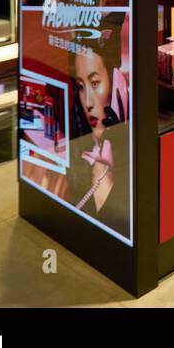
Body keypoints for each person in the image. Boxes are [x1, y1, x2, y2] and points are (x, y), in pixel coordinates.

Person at [66, 33, 130, 236]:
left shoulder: (131, 158)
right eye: (81, 87)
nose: (88, 102)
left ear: (115, 81)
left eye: (95, 84)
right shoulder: (78, 157)